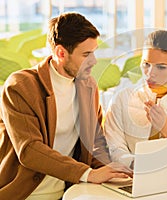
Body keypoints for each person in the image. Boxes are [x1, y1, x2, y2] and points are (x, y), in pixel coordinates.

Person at [0, 12, 131, 200]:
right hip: (27, 193)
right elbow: (29, 149)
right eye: (86, 54)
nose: (93, 61)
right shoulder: (20, 86)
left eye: (93, 52)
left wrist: (114, 171)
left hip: (72, 191)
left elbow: (95, 143)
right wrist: (87, 173)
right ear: (61, 53)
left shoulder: (88, 85)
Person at [104, 30, 167, 168]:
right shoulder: (121, 99)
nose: (151, 73)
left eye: (161, 67)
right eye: (146, 64)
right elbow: (114, 148)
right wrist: (138, 165)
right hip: (131, 180)